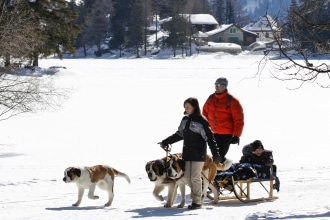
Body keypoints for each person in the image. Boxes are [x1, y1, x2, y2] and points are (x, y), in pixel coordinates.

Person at [159, 97, 222, 210]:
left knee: (195, 177)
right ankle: (197, 196)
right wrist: (166, 141)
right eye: (185, 107)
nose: (186, 109)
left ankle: (197, 202)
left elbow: (210, 138)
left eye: (188, 107)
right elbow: (179, 134)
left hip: (198, 154)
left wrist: (216, 153)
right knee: (187, 177)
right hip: (187, 153)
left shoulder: (201, 121)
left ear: (194, 107)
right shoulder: (185, 120)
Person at [202, 77, 244, 170]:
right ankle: (225, 169)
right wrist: (205, 128)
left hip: (226, 133)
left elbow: (239, 119)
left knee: (219, 156)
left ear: (224, 86)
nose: (217, 87)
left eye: (219, 85)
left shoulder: (232, 100)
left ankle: (220, 173)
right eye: (215, 85)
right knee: (216, 156)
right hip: (213, 132)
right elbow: (204, 113)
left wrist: (236, 135)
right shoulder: (211, 98)